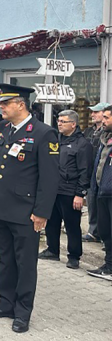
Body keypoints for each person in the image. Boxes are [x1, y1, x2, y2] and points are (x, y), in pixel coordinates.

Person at [0, 84, 59, 333]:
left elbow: (49, 178)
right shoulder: (2, 128)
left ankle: (23, 312)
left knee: (25, 264)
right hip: (1, 207)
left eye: (4, 104)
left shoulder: (44, 133)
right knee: (6, 259)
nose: (0, 107)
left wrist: (42, 212)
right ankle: (5, 303)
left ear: (20, 104)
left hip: (25, 212)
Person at [38, 110, 93, 269]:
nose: (59, 123)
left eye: (63, 121)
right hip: (54, 189)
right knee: (52, 222)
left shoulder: (82, 144)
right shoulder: (56, 140)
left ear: (73, 124)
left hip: (70, 191)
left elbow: (85, 171)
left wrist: (79, 194)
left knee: (72, 225)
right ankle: (52, 250)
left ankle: (74, 256)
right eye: (58, 121)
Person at [87, 105, 112, 281]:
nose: (103, 121)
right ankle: (109, 266)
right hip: (101, 192)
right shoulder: (105, 139)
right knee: (105, 232)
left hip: (110, 193)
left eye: (106, 118)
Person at [82, 102, 110, 242]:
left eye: (96, 112)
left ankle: (103, 235)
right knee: (92, 202)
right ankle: (94, 231)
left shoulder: (105, 134)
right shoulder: (88, 131)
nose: (92, 114)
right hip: (92, 172)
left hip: (105, 176)